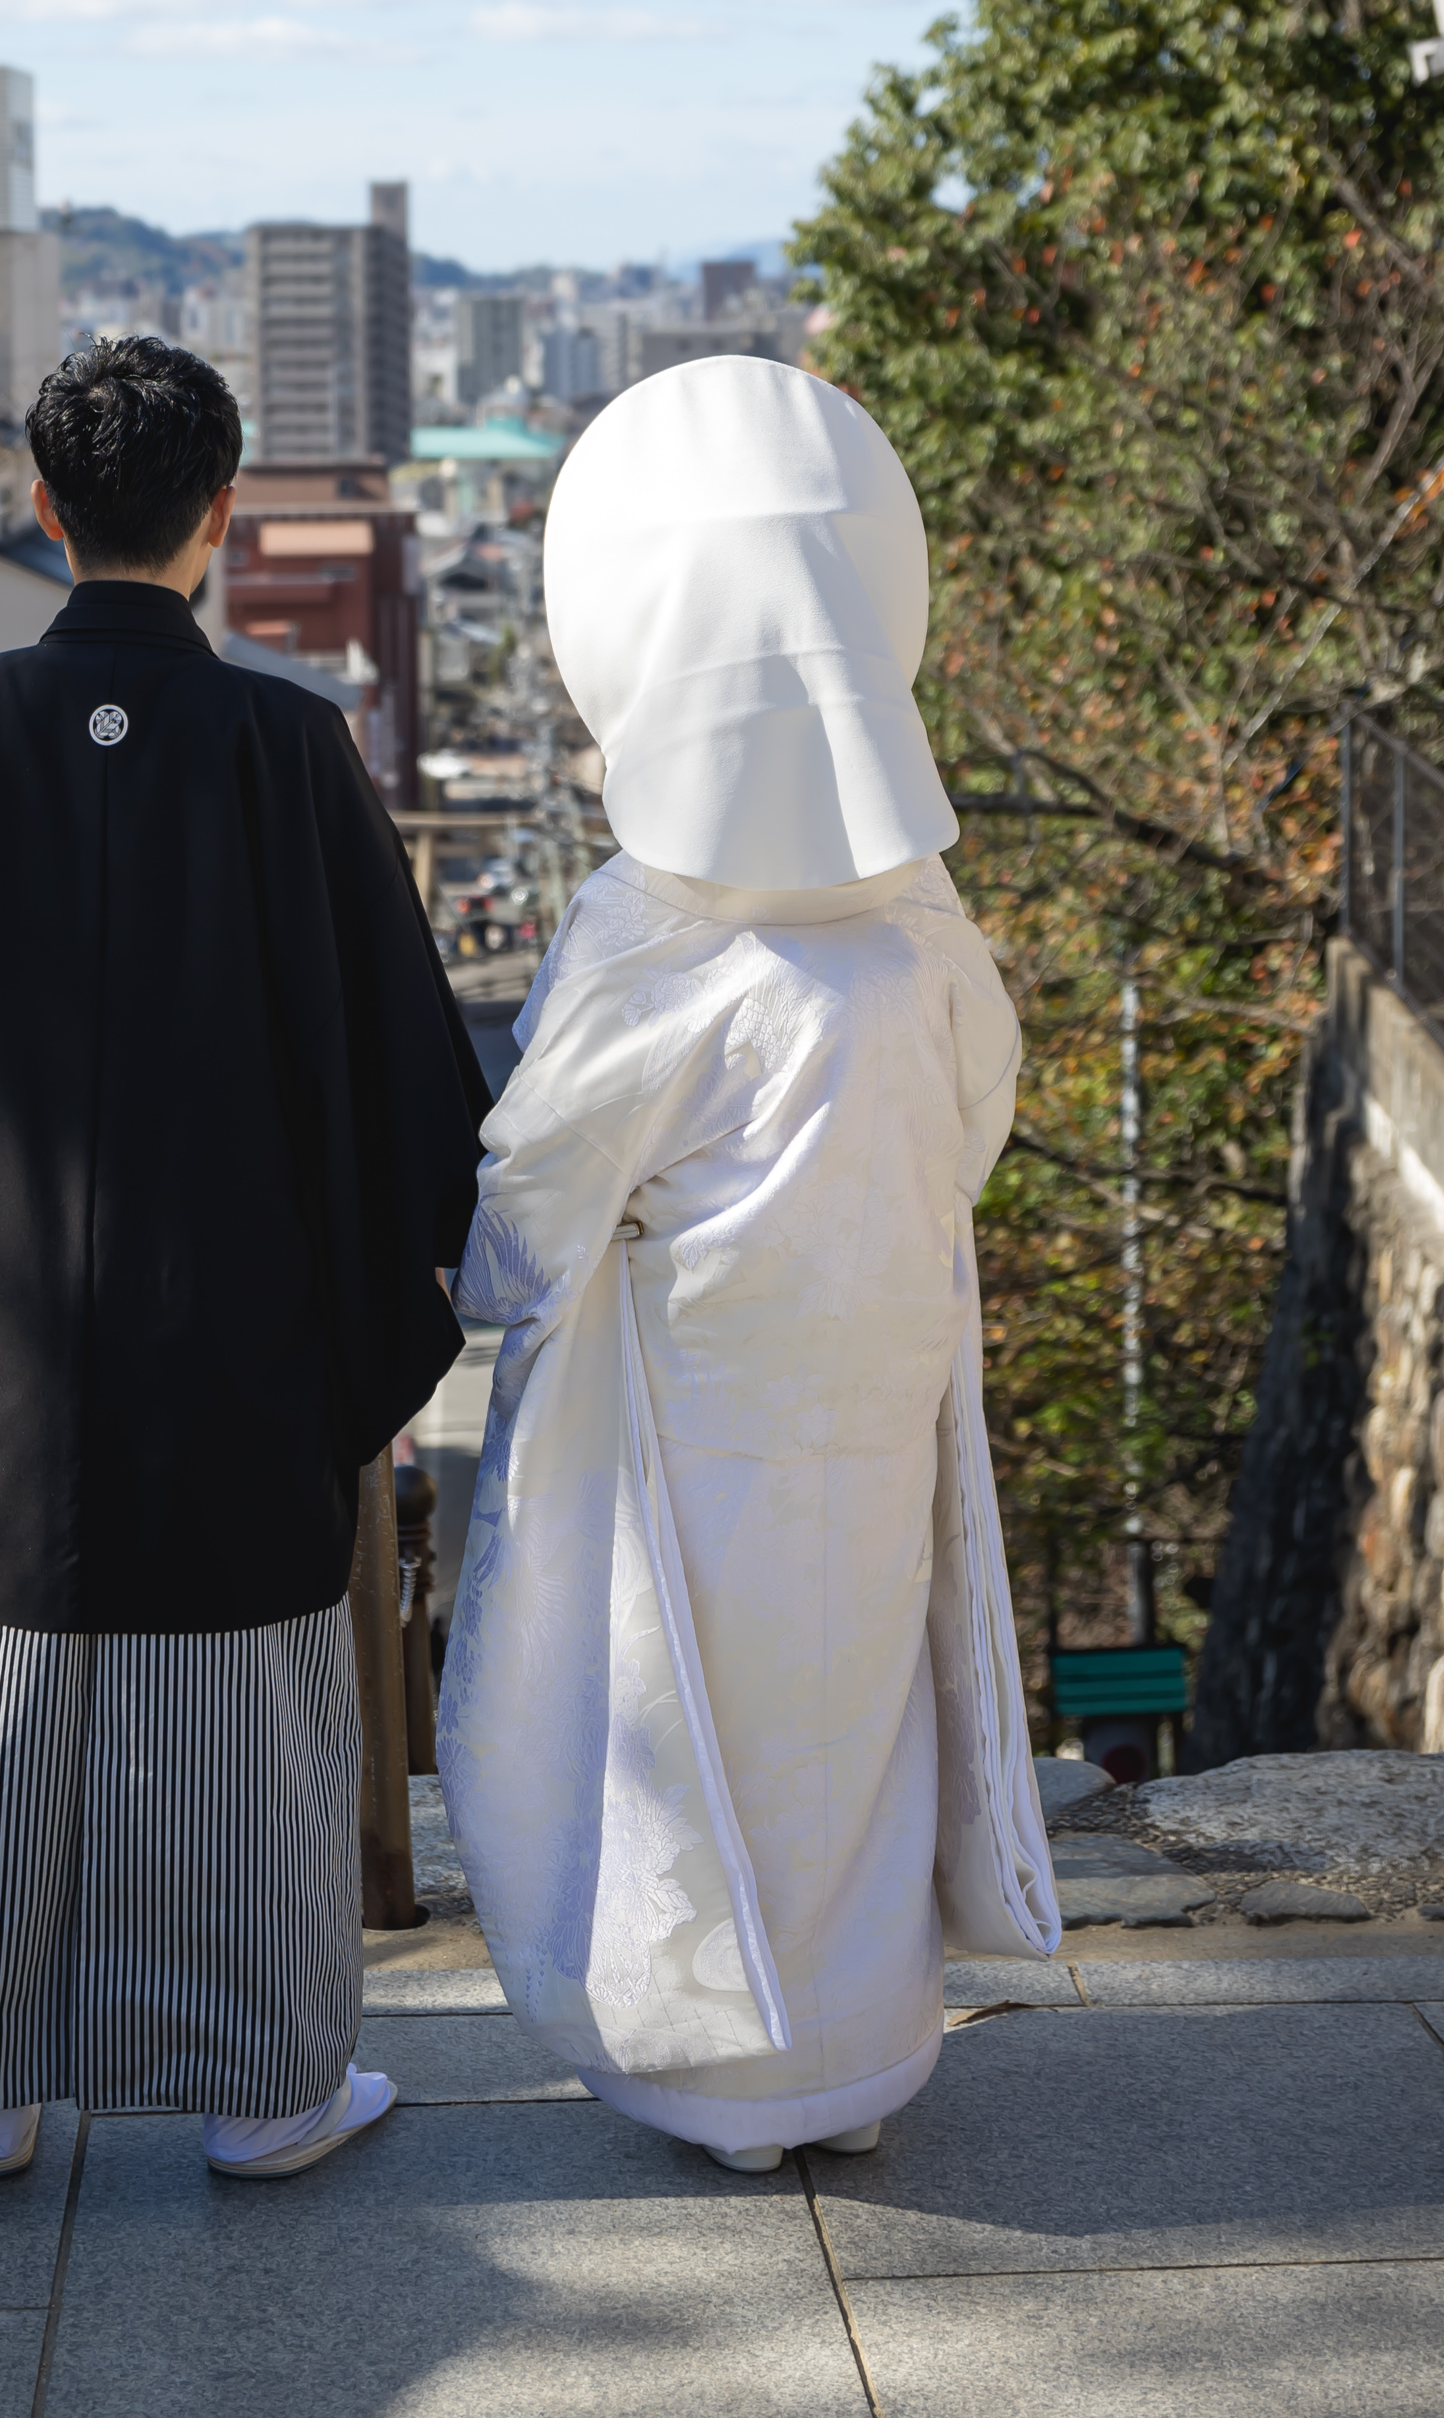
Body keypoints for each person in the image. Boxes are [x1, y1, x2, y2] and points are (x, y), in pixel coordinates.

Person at [0, 335, 488, 2181]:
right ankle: (264, 2094)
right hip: (236, 1349)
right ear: (221, 518)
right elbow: (413, 1078)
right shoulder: (290, 749)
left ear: (51, 511)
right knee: (240, 1724)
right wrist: (356, 1328)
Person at [436, 355, 1059, 2173]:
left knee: (697, 1715)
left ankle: (724, 2075)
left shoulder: (651, 922)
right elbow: (975, 1122)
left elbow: (534, 1198)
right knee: (855, 1715)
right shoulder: (916, 898)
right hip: (879, 1375)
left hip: (701, 1400)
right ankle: (861, 2056)